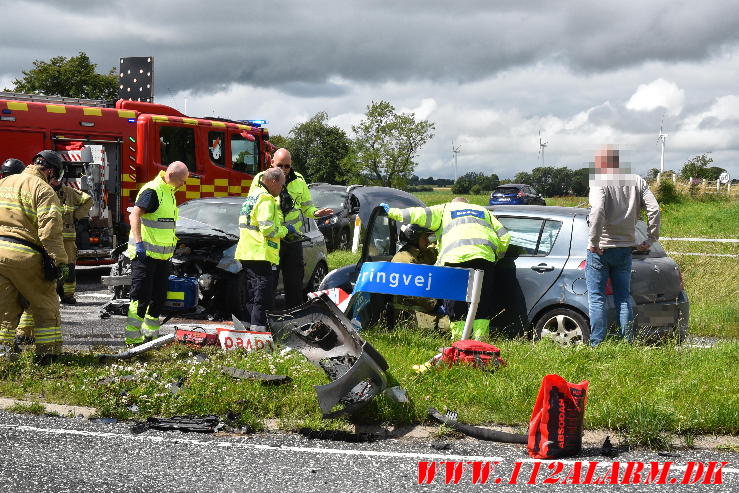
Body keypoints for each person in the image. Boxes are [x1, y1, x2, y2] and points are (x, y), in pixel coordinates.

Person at [383, 197, 511, 340]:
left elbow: (417, 214)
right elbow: (505, 237)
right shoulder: (483, 211)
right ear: (467, 204)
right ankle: (480, 342)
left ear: (453, 203)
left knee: (456, 305)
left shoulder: (445, 209)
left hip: (455, 259)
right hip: (484, 259)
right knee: (481, 303)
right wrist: (495, 257)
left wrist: (392, 212)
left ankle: (459, 343)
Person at [587, 146, 660, 346]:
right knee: (623, 298)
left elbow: (597, 210)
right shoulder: (637, 180)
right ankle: (627, 341)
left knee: (596, 298)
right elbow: (654, 208)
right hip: (626, 247)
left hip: (601, 248)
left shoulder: (599, 183)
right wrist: (651, 238)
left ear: (602, 164)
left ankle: (596, 343)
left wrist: (593, 242)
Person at [0, 150, 68, 363]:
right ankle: (48, 355)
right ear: (49, 170)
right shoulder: (43, 190)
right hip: (25, 256)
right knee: (46, 304)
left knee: (5, 309)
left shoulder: (6, 182)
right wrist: (59, 262)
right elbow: (50, 232)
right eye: (54, 175)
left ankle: (3, 355)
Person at [249, 149, 333, 308]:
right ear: (272, 163)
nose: (283, 170)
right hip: (270, 239)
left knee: (294, 283)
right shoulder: (261, 179)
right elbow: (253, 206)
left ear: (291, 165)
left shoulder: (299, 180)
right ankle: (267, 320)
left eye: (287, 166)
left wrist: (316, 213)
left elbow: (307, 208)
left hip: (292, 240)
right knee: (268, 284)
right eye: (279, 165)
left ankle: (294, 319)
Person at [124, 161, 189, 346]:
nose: (183, 184)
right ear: (171, 176)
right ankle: (132, 338)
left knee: (158, 298)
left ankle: (150, 336)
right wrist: (138, 244)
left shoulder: (169, 192)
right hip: (145, 256)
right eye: (182, 181)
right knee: (140, 298)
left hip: (161, 258)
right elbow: (134, 215)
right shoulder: (153, 190)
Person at [236, 168, 294, 330]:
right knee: (263, 294)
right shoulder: (266, 199)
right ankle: (258, 331)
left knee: (251, 292)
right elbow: (268, 229)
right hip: (260, 252)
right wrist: (285, 230)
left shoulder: (252, 197)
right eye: (282, 185)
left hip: (246, 251)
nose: (282, 189)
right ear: (273, 181)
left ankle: (246, 327)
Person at [390, 224, 444, 328]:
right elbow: (415, 291)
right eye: (425, 238)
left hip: (425, 310)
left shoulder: (421, 253)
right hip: (411, 315)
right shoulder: (403, 260)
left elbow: (433, 254)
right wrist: (436, 304)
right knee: (451, 325)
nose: (428, 241)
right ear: (414, 239)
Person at [50, 177, 92, 304]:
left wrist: (77, 215)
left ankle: (67, 295)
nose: (54, 181)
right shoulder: (44, 190)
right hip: (49, 237)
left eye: (57, 178)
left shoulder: (70, 192)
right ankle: (51, 293)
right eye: (52, 178)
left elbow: (88, 200)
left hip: (67, 237)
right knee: (51, 266)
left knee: (68, 266)